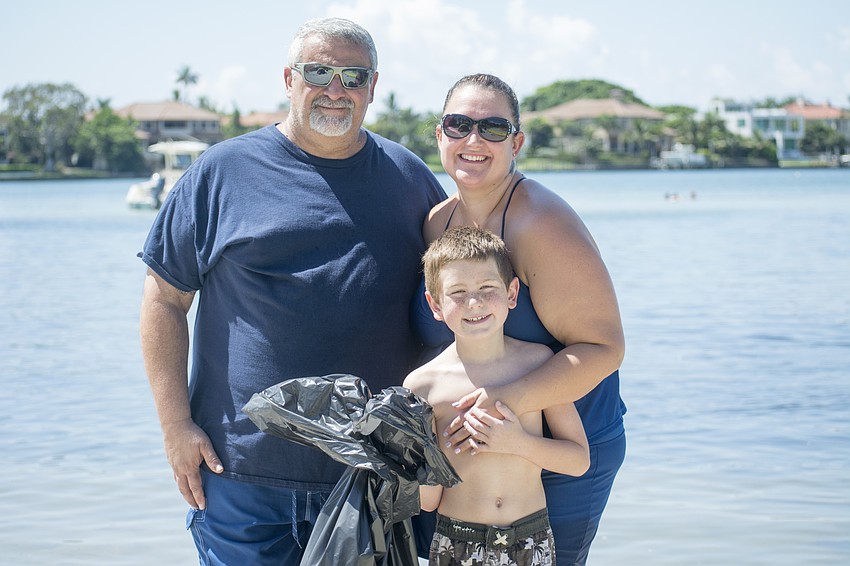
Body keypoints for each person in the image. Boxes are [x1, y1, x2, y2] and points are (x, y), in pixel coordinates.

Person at [138, 18, 446, 566]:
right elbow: (164, 299)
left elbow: (459, 298)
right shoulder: (221, 173)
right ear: (289, 79)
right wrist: (174, 425)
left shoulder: (410, 179)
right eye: (319, 72)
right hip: (240, 470)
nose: (335, 89)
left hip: (369, 473)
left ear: (373, 87)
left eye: (353, 76)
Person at [411, 74, 626, 565]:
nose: (473, 140)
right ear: (440, 136)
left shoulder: (542, 223)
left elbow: (605, 349)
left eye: (493, 128)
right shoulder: (437, 224)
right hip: (466, 461)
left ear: (517, 142)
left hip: (563, 454)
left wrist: (500, 409)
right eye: (459, 124)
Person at [404, 226, 590, 566]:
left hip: (530, 539)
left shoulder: (538, 364)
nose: (473, 302)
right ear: (435, 304)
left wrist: (515, 443)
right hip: (456, 542)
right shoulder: (422, 386)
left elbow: (578, 461)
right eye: (457, 292)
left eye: (487, 288)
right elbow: (428, 501)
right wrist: (412, 454)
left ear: (511, 292)